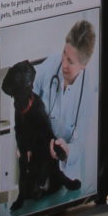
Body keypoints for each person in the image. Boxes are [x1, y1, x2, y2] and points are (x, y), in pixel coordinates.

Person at [34, 19, 97, 191]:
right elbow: (27, 91)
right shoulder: (52, 63)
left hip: (64, 172)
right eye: (64, 54)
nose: (63, 64)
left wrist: (68, 149)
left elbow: (81, 144)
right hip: (37, 157)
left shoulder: (88, 92)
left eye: (70, 61)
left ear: (83, 65)